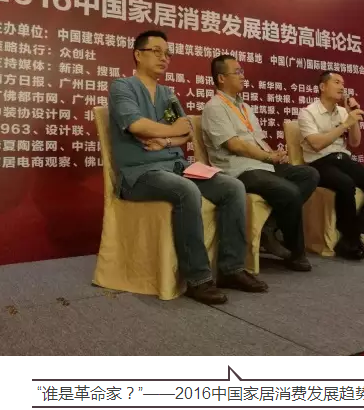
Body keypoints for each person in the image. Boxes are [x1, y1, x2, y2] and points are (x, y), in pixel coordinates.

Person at [108, 30, 268, 305]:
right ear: (138, 54)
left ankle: (231, 269)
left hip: (175, 165)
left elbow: (187, 132)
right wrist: (170, 130)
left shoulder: (167, 93)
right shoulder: (122, 87)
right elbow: (136, 124)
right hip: (140, 172)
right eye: (156, 51)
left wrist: (165, 139)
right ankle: (198, 279)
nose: (164, 58)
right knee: (186, 190)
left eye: (167, 54)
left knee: (232, 187)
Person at [201, 55, 319, 272]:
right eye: (237, 72)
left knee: (309, 174)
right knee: (290, 191)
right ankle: (295, 253)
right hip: (239, 169)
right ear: (221, 78)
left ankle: (269, 227)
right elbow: (235, 145)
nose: (243, 76)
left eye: (242, 71)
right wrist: (267, 157)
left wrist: (273, 153)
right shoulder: (214, 107)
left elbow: (256, 140)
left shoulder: (244, 106)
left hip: (261, 164)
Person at [298, 72, 364, 260]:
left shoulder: (342, 112)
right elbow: (316, 144)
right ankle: (352, 240)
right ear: (322, 87)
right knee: (345, 184)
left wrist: (352, 119)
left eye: (343, 83)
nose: (342, 87)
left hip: (343, 159)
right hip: (319, 162)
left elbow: (355, 143)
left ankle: (352, 235)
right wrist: (344, 125)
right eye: (336, 82)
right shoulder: (308, 112)